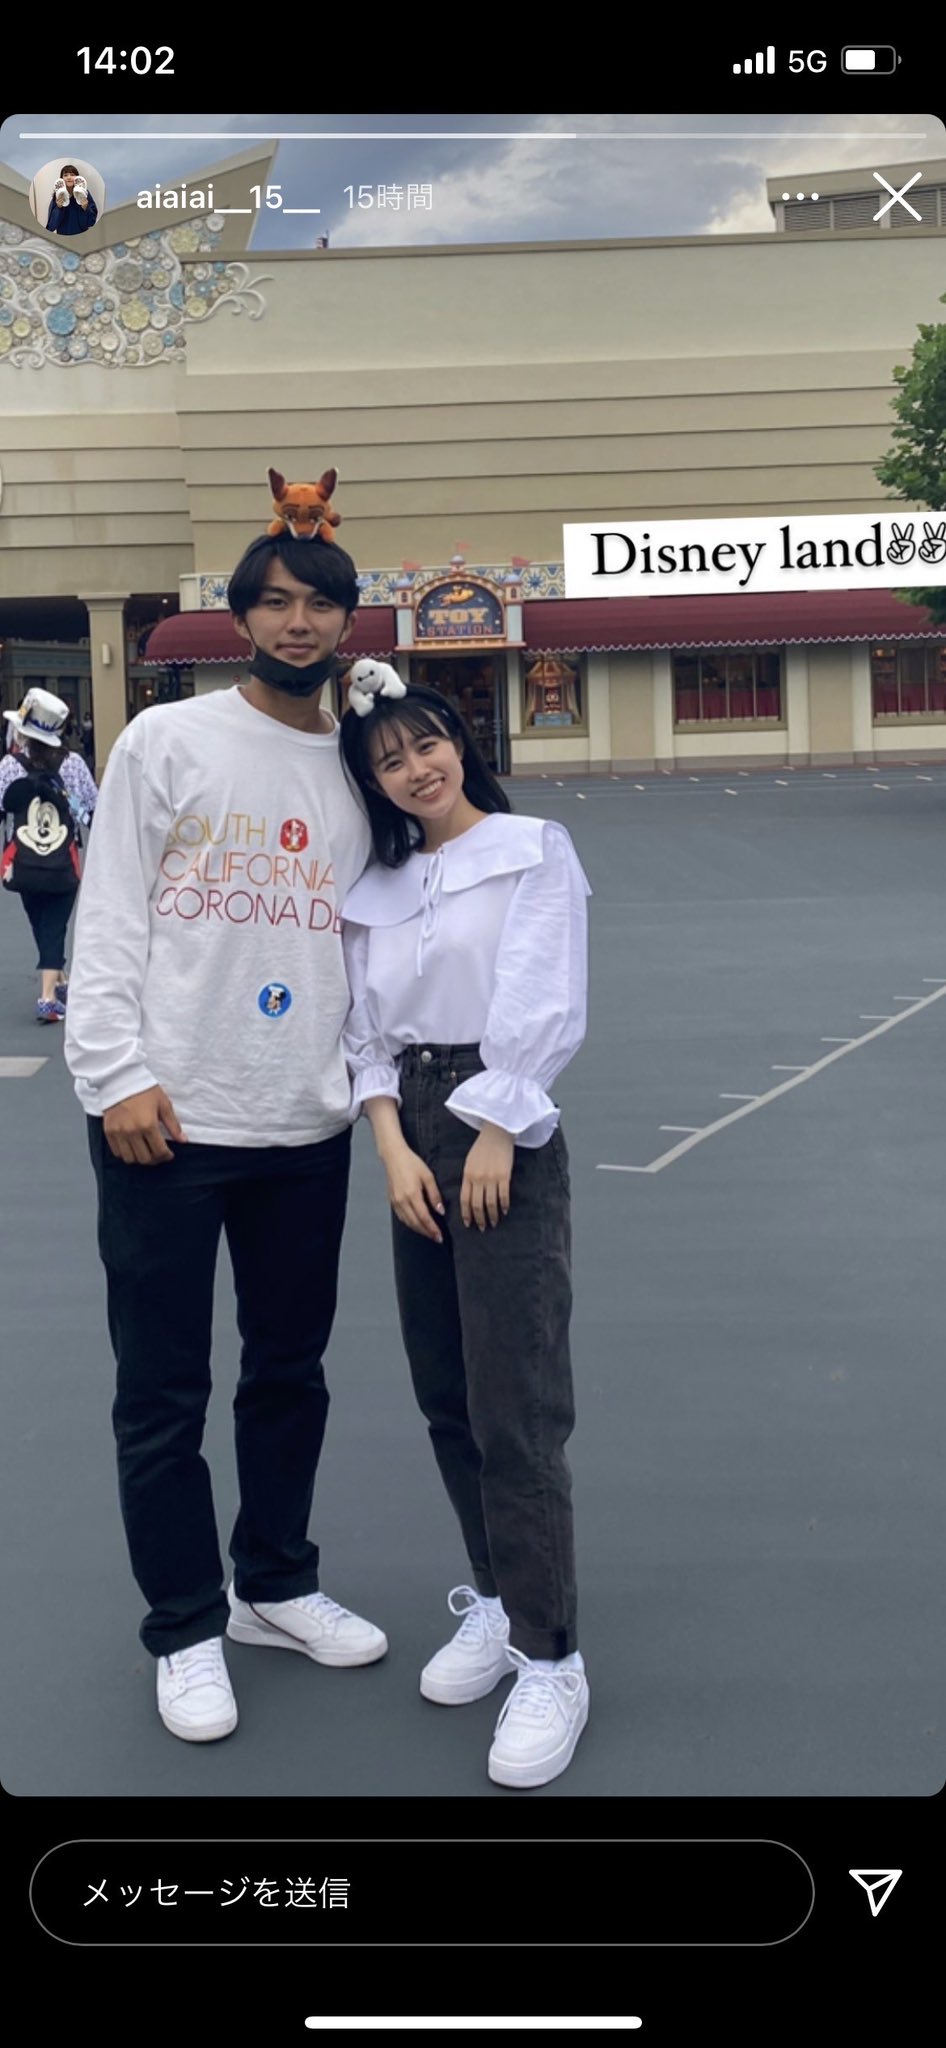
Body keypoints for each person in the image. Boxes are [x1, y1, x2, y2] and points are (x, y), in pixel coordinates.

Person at [63, 472, 387, 1744]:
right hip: (168, 1118)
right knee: (162, 1390)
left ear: (348, 621)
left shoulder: (361, 762)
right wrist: (113, 1076)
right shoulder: (168, 739)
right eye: (275, 602)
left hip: (303, 1121)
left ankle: (275, 1583)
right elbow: (110, 913)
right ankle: (187, 1625)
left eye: (319, 604)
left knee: (289, 1373)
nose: (297, 622)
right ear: (240, 616)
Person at [338, 664, 592, 1788]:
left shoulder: (531, 848)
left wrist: (497, 1127)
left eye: (426, 744)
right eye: (388, 760)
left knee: (515, 1403)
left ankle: (551, 1654)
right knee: (445, 1389)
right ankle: (492, 1597)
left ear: (459, 740)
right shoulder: (378, 884)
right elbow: (365, 1030)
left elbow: (542, 995)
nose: (415, 769)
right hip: (413, 1132)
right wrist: (392, 1147)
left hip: (503, 1129)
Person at [0, 689, 95, 1022]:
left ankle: (56, 984)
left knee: (40, 922)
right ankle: (48, 997)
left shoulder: (9, 766)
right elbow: (92, 810)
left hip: (21, 862)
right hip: (62, 861)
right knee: (55, 926)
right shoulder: (74, 765)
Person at [46, 165, 98, 235]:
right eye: (65, 175)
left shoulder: (84, 194)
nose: (69, 177)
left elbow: (91, 222)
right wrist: (58, 208)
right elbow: (50, 227)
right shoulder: (57, 197)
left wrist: (86, 208)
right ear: (61, 179)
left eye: (72, 175)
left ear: (77, 178)